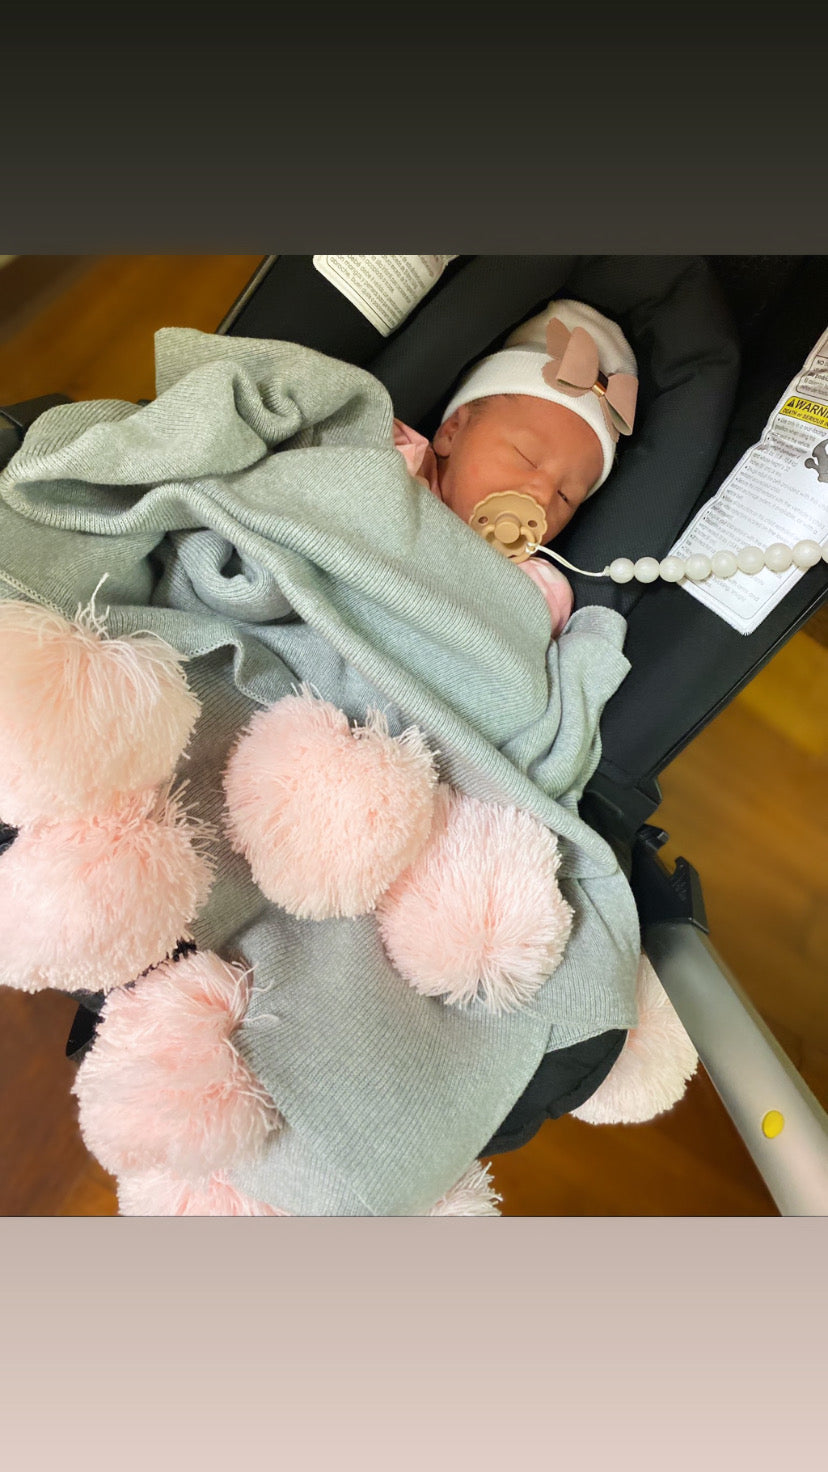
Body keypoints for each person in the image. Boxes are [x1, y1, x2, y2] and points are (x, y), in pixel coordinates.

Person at [393, 298, 638, 636]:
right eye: (526, 457)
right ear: (452, 432)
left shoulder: (534, 588)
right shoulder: (397, 460)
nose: (542, 494)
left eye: (566, 497)